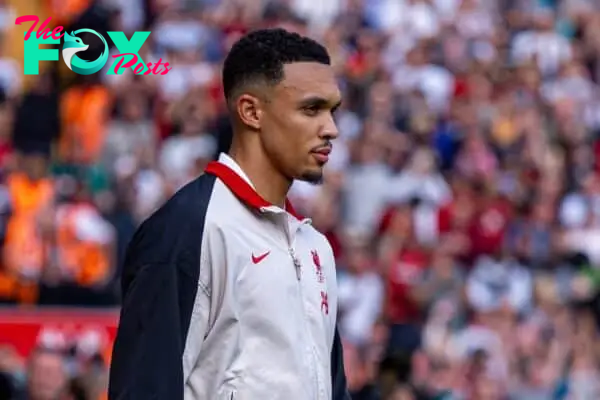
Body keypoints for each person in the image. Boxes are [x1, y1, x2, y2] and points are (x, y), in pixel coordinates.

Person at [108, 28, 349, 399]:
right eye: (311, 109)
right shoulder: (185, 230)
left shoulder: (315, 246)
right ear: (251, 111)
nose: (331, 129)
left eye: (332, 110)